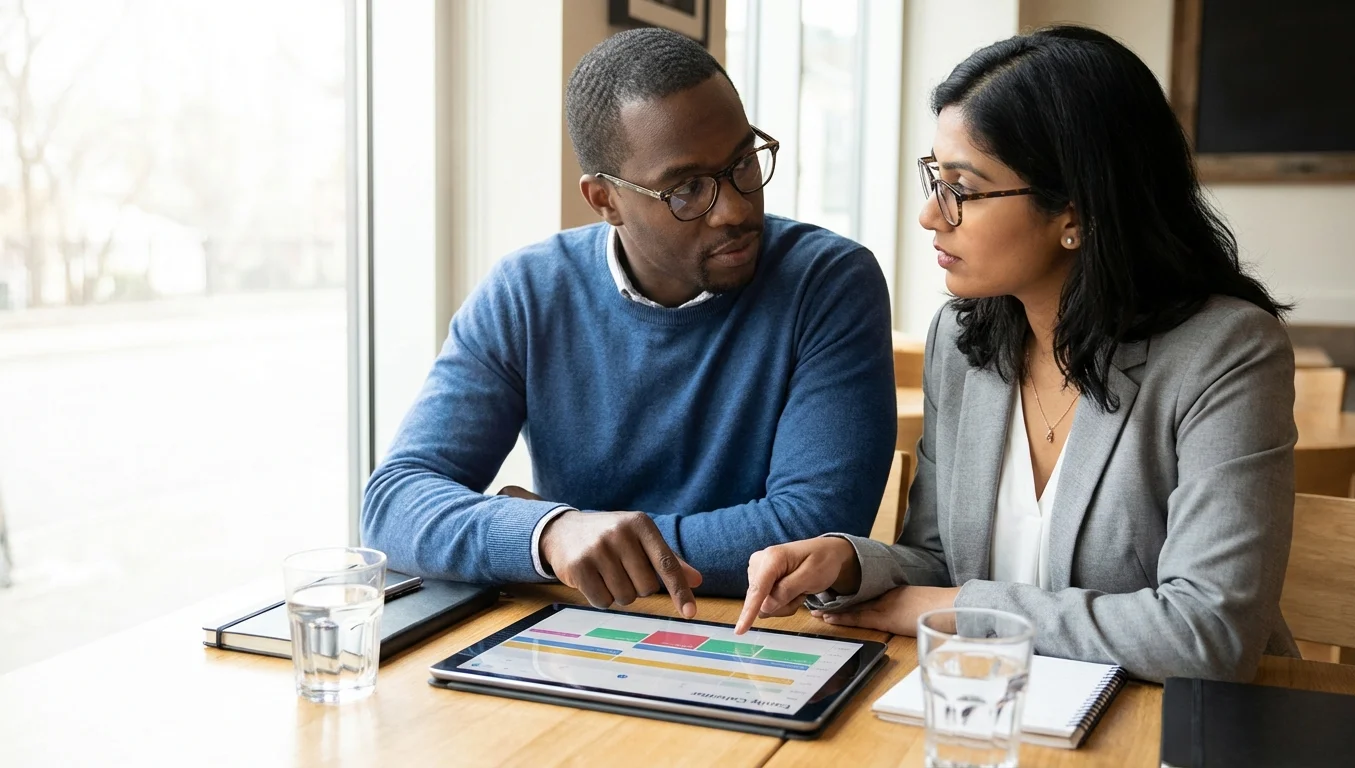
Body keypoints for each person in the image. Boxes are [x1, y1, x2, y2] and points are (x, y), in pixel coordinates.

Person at [734, 25, 1299, 683]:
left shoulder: (1228, 352)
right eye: (933, 178)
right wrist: (851, 563)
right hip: (1005, 707)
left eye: (963, 189)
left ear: (1076, 212)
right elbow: (942, 559)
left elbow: (1208, 634)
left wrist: (960, 612)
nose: (930, 215)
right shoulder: (963, 338)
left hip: (1176, 727)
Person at [363, 29, 896, 618]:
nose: (737, 209)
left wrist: (589, 539)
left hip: (762, 641)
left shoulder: (828, 281)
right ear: (605, 201)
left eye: (744, 162)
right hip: (578, 637)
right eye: (688, 188)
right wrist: (549, 535)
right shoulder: (528, 292)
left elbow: (813, 529)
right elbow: (393, 503)